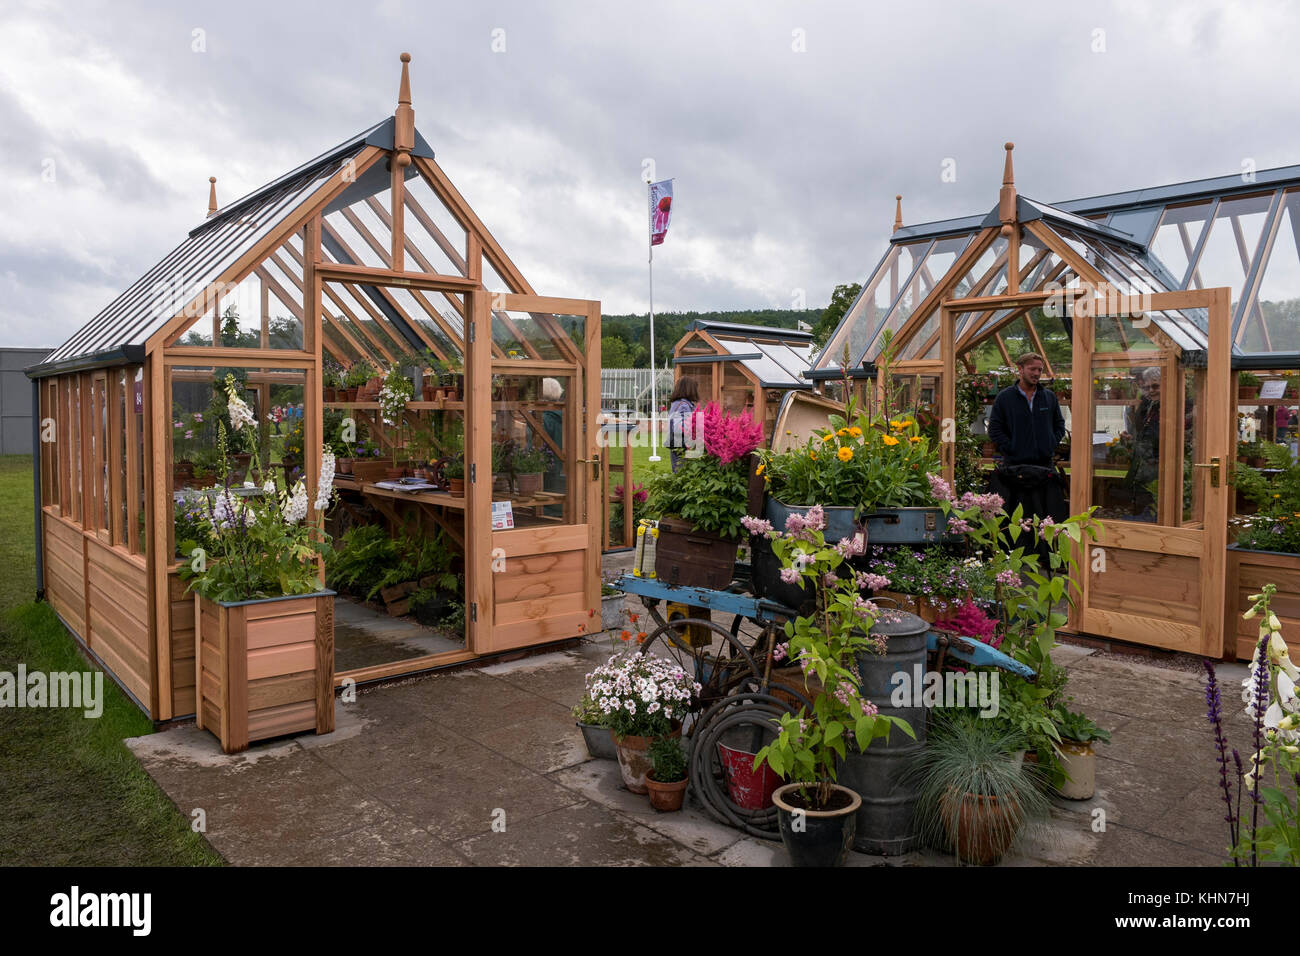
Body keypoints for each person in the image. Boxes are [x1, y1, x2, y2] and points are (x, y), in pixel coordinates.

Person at [986, 353, 1068, 552]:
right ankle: (1015, 553)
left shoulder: (1048, 397)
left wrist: (1050, 443)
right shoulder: (1005, 398)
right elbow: (994, 429)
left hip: (1043, 467)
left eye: (1040, 370)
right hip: (1014, 469)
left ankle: (1046, 554)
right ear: (1020, 369)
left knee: (1046, 513)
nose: (1037, 374)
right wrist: (1012, 447)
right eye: (1032, 369)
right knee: (1017, 514)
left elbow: (1059, 424)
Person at [1124, 368, 1161, 521]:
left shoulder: (1176, 406)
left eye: (1155, 386)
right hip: (1143, 469)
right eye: (1147, 387)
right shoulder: (1146, 406)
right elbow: (1142, 434)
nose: (1151, 391)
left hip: (1160, 468)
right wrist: (1131, 439)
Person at [665, 376, 700, 472]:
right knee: (683, 473)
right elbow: (678, 427)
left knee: (678, 473)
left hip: (677, 445)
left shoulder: (676, 403)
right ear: (690, 389)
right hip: (682, 446)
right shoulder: (684, 405)